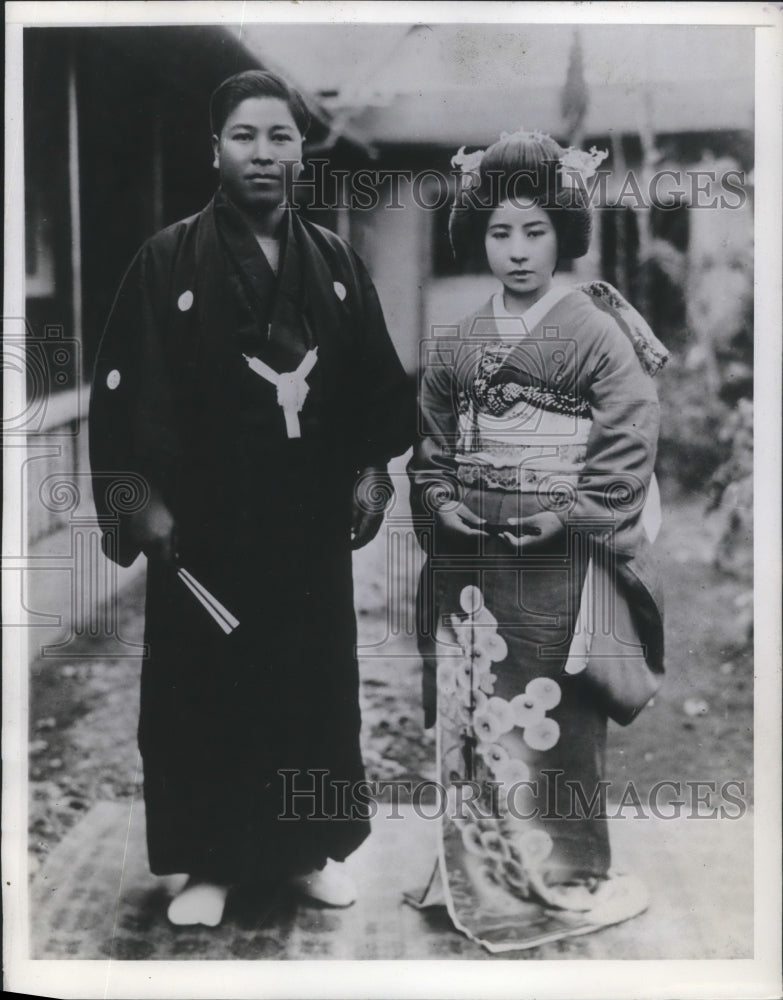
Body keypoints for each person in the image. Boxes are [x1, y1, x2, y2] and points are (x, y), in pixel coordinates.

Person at [89, 70, 415, 927]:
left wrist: (372, 470)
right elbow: (118, 401)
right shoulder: (168, 260)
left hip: (305, 530)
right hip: (202, 531)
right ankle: (208, 865)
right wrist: (137, 502)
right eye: (245, 135)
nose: (263, 153)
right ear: (214, 149)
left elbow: (376, 389)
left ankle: (305, 853)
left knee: (307, 686)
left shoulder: (337, 264)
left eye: (279, 135)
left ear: (301, 150)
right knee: (205, 694)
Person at [406, 129, 667, 952]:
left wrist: (567, 513)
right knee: (475, 707)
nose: (516, 250)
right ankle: (477, 869)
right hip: (474, 560)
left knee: (555, 713)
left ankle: (566, 872)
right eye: (498, 231)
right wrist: (439, 499)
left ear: (562, 234)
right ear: (476, 235)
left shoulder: (594, 332)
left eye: (533, 230)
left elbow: (628, 438)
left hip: (555, 561)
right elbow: (432, 442)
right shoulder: (457, 338)